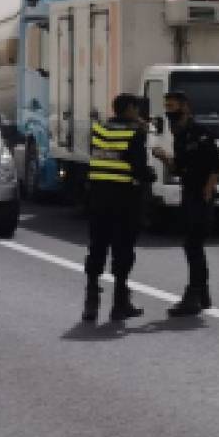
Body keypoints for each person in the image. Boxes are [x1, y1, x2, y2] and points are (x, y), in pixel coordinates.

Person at [153, 90, 219, 316]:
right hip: (189, 192)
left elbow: (218, 163)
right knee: (192, 245)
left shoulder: (200, 132)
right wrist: (164, 157)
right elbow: (178, 168)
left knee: (193, 244)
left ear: (185, 107)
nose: (168, 111)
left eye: (172, 106)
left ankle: (194, 295)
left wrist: (208, 188)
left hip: (201, 195)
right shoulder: (180, 135)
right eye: (166, 107)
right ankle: (201, 294)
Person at [84, 93, 151, 323]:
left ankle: (91, 301)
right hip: (124, 200)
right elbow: (139, 169)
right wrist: (150, 174)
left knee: (97, 247)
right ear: (130, 108)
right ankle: (119, 304)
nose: (140, 113)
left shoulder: (99, 129)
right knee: (123, 250)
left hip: (98, 198)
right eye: (137, 109)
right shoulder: (134, 133)